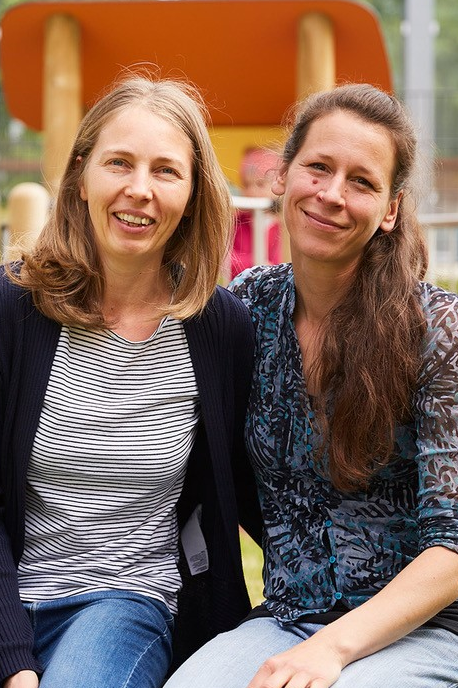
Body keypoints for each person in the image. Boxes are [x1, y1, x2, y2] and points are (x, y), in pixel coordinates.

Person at [163, 83, 458, 688]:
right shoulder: (247, 308)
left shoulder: (438, 330)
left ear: (391, 210)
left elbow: (452, 545)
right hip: (290, 617)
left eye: (361, 181)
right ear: (283, 175)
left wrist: (333, 650)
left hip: (429, 628)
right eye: (318, 167)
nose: (332, 194)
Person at [0, 74, 261, 688]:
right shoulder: (13, 309)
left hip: (123, 602)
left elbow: (260, 488)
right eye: (119, 162)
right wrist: (14, 663)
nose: (139, 189)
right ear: (82, 174)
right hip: (10, 596)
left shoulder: (218, 328)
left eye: (166, 171)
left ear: (193, 194)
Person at [230, 147, 282, 278]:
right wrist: (256, 262)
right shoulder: (237, 222)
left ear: (276, 187)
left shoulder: (279, 226)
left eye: (260, 184)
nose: (252, 191)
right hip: (239, 283)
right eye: (246, 185)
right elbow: (227, 259)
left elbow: (279, 263)